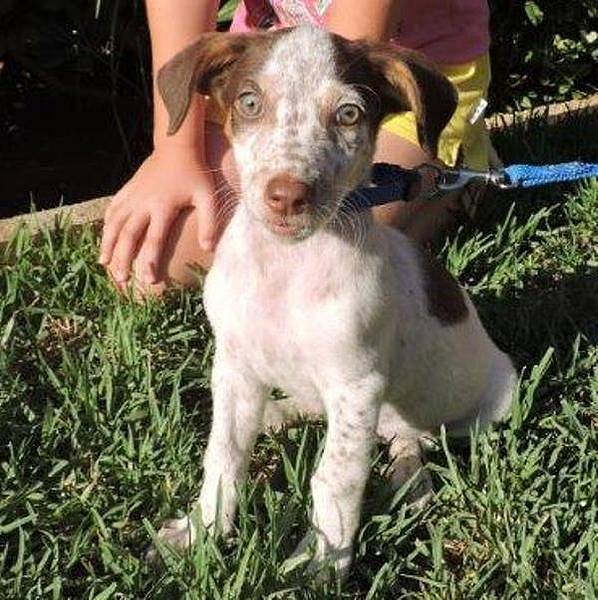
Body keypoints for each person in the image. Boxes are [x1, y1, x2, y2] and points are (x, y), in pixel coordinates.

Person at [99, 0, 493, 295]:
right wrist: (175, 152)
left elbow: (343, 65)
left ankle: (454, 179)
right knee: (151, 269)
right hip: (267, 63)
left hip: (389, 81)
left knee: (321, 268)